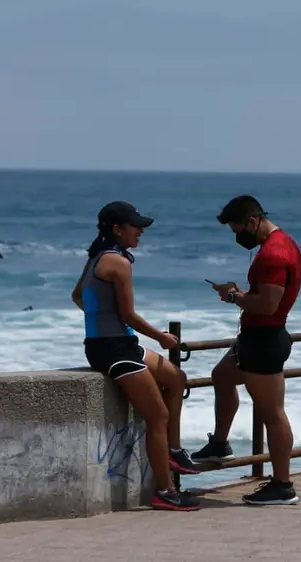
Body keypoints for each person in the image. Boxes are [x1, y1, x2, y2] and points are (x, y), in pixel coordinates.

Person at [71, 201, 201, 511]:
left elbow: (78, 296)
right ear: (118, 229)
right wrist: (161, 337)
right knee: (158, 416)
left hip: (115, 344)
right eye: (136, 226)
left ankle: (172, 449)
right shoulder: (118, 263)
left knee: (176, 378)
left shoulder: (96, 258)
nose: (141, 231)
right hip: (115, 349)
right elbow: (128, 314)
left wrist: (99, 321)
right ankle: (165, 491)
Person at [191, 195, 301, 506]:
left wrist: (233, 296)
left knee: (272, 413)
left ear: (253, 221)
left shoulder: (274, 254)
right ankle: (219, 444)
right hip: (255, 338)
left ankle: (282, 485)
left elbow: (268, 305)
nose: (238, 237)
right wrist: (239, 293)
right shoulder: (284, 243)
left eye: (238, 230)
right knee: (222, 376)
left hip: (265, 340)